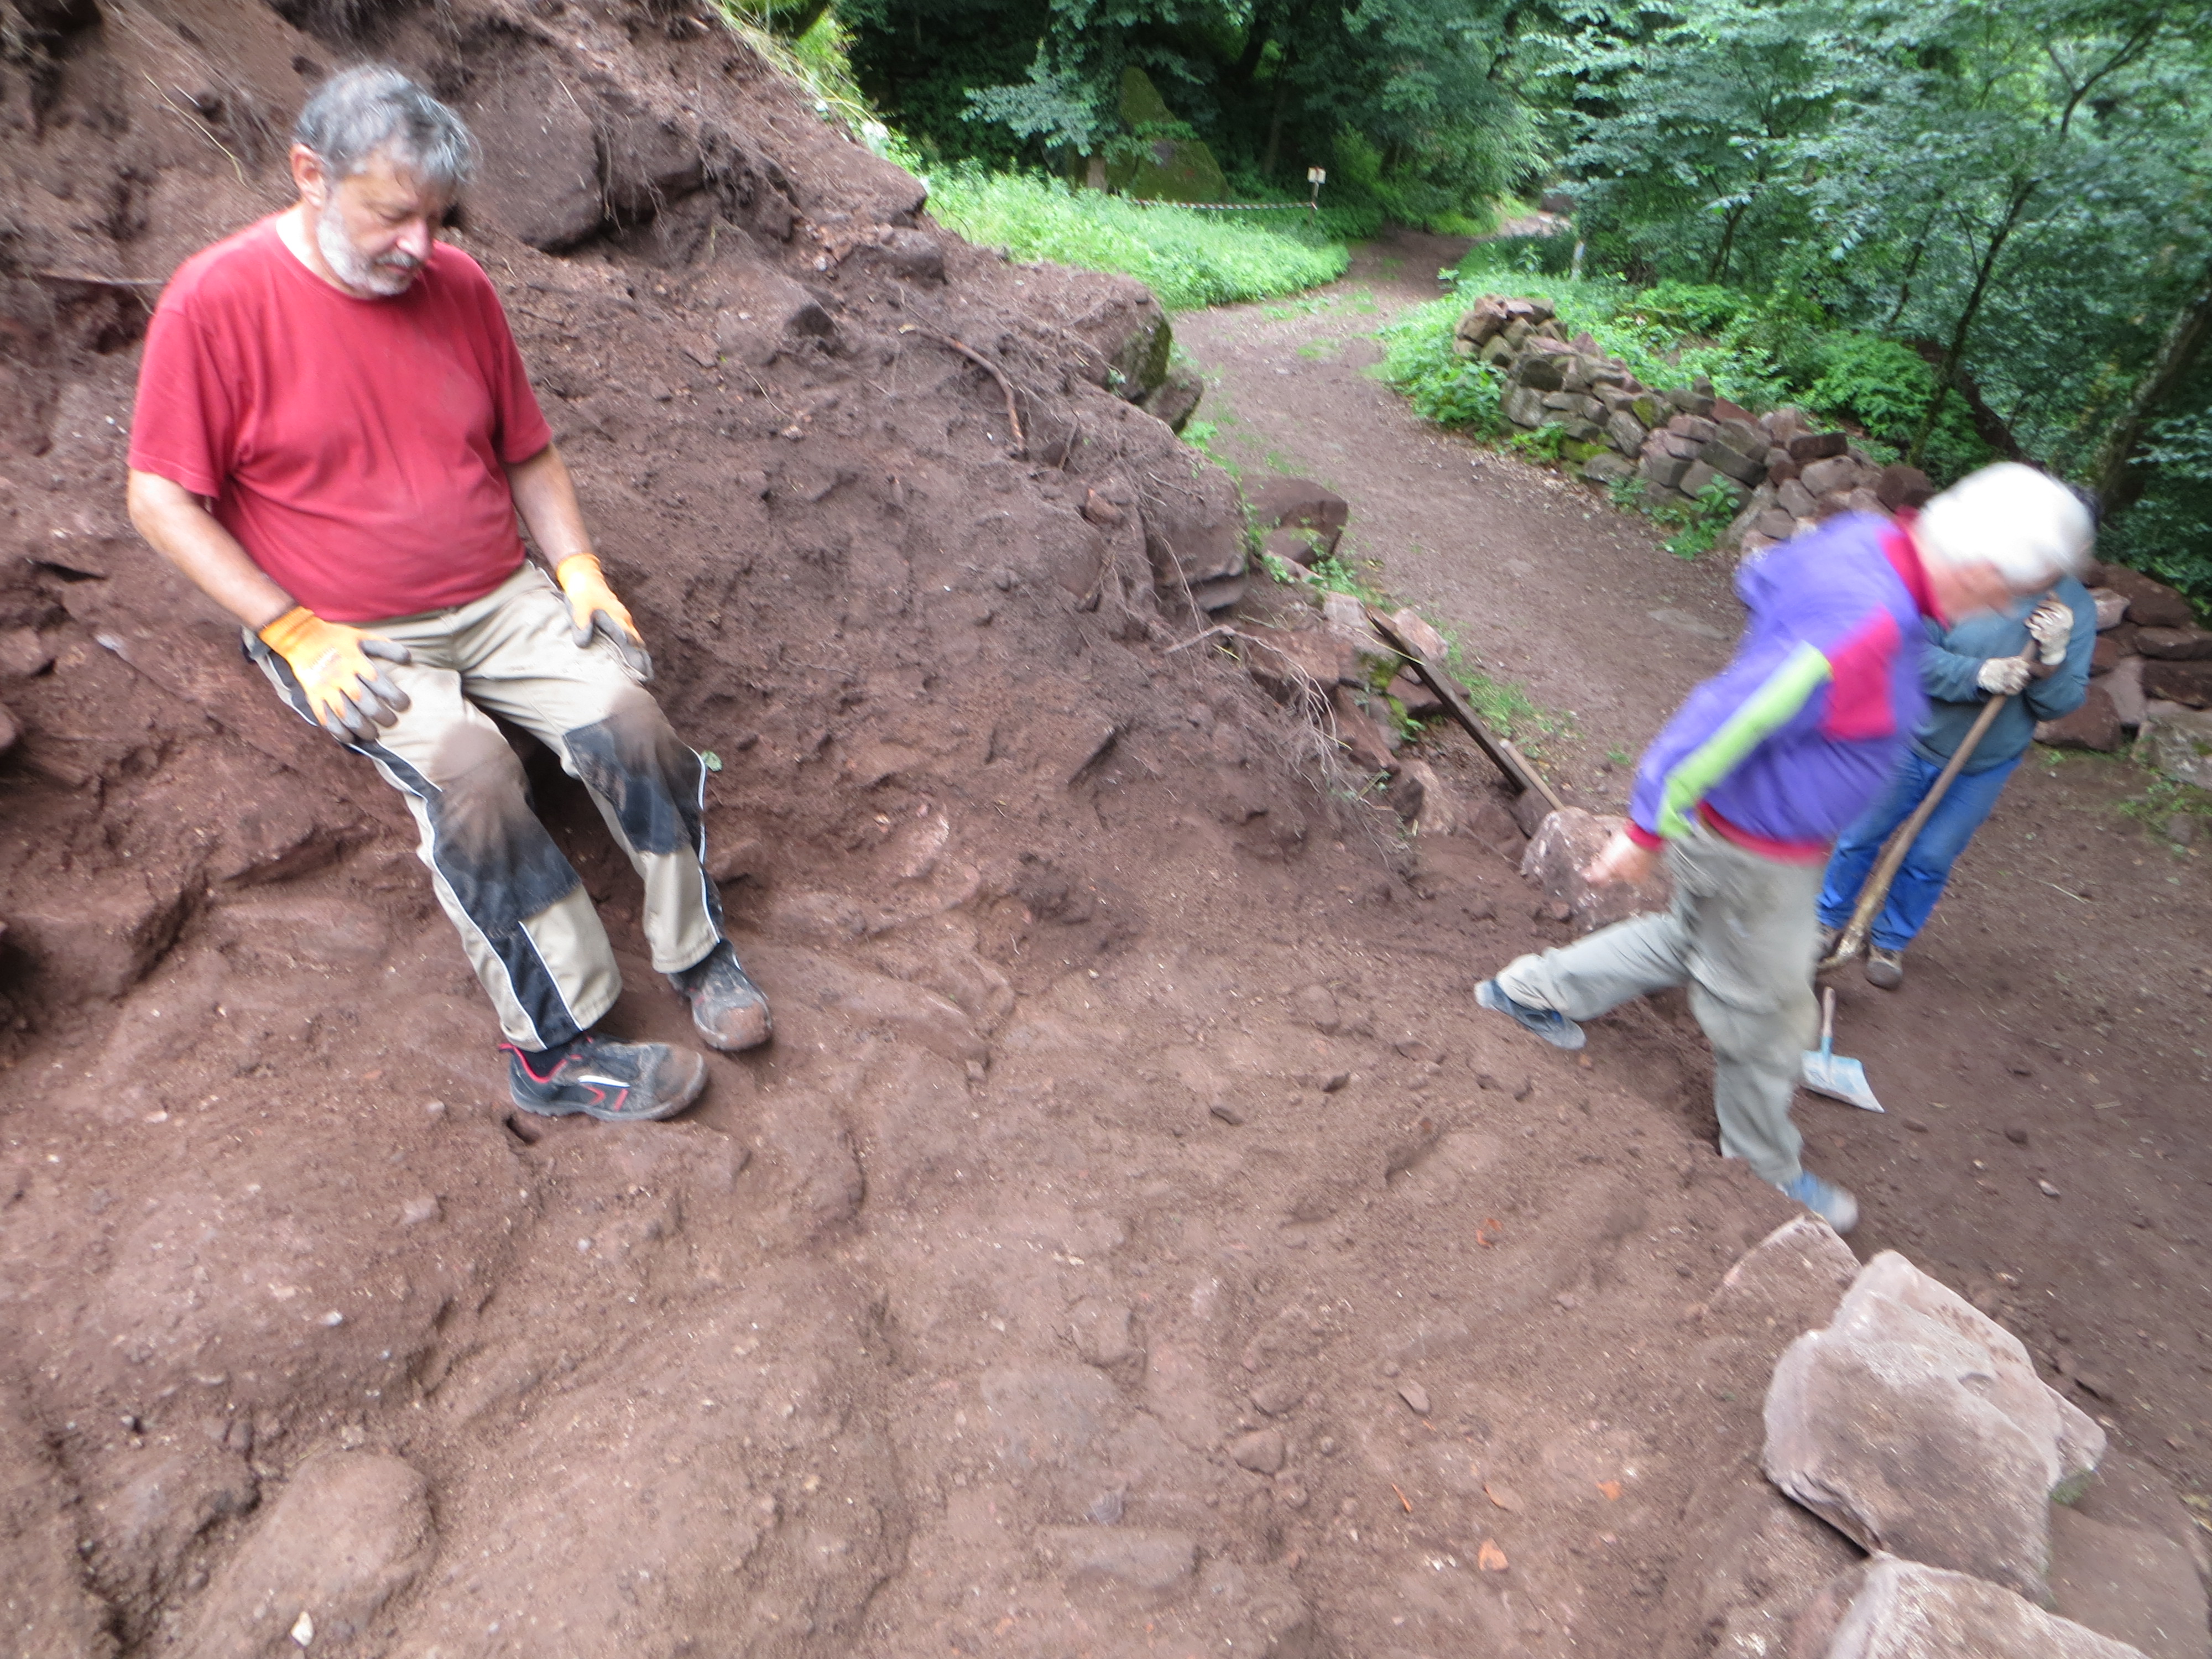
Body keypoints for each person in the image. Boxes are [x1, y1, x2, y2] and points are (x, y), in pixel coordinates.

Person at [124, 66, 769, 1125]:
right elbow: (159, 500)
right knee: (469, 772)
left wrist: (576, 568)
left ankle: (697, 953)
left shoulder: (459, 288)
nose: (420, 246)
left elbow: (528, 453)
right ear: (309, 175)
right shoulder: (217, 301)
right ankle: (556, 1050)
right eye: (392, 215)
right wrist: (294, 632)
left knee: (628, 719)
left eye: (437, 218)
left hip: (499, 595)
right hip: (342, 628)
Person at [1474, 463, 2094, 1233]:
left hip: (1750, 832)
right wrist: (1645, 828)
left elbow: (1764, 582)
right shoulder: (1867, 620)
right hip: (1756, 847)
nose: (2003, 608)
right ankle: (1761, 1173)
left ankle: (1527, 993)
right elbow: (1731, 715)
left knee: (1689, 940)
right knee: (1768, 1014)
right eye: (2009, 590)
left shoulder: (1871, 543)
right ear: (1982, 566)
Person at [1817, 499, 2098, 988]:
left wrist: (2052, 661)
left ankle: (1889, 940)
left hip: (1984, 762)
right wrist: (1977, 674)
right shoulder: (1971, 572)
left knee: (1931, 856)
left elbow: (2061, 704)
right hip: (1910, 738)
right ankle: (1827, 921)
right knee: (1862, 833)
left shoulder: (2073, 608)